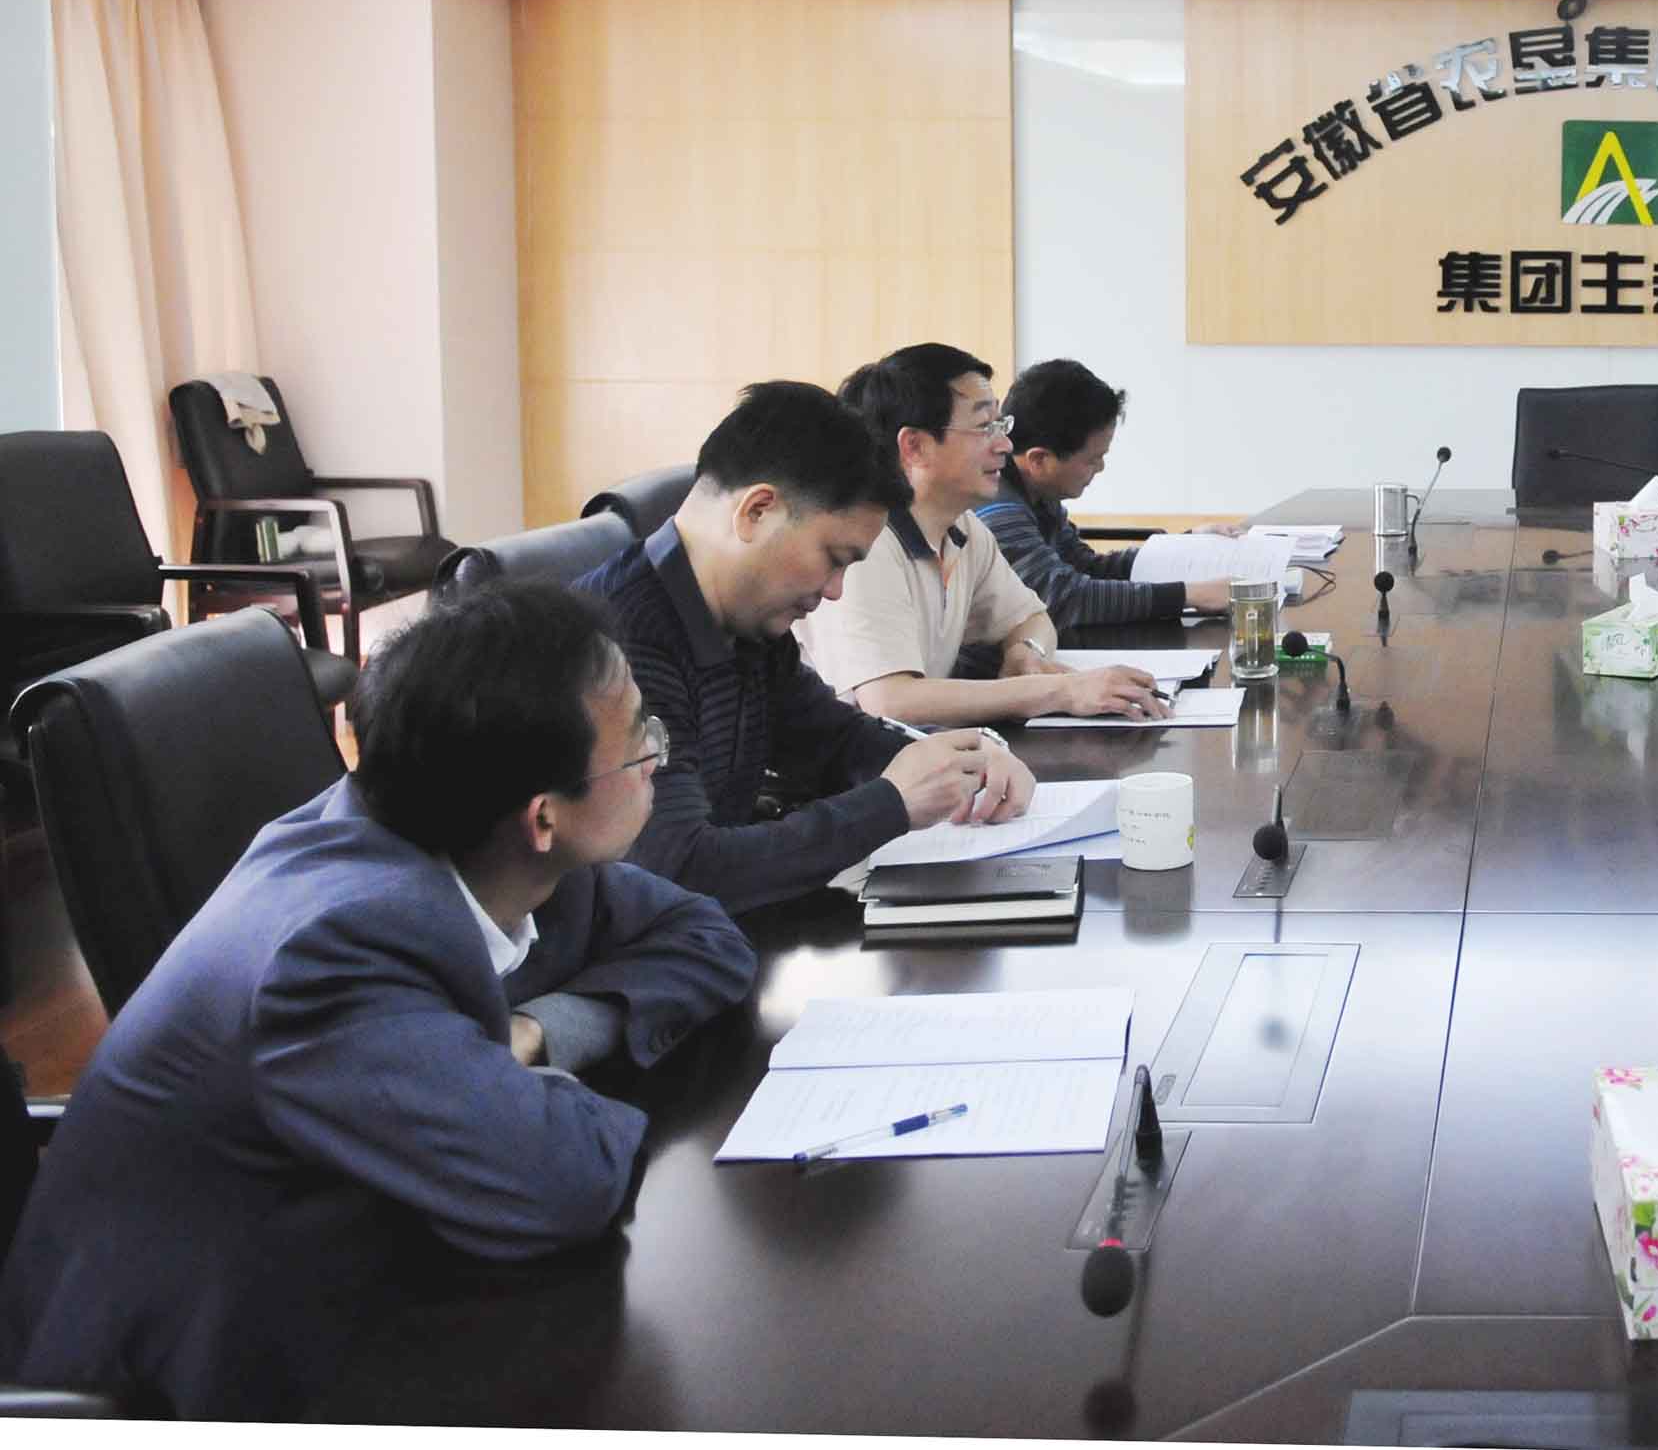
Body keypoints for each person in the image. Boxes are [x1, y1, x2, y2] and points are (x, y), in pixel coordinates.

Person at [0, 582, 757, 1419]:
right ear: (543, 816)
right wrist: (494, 1084)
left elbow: (708, 937)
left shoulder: (476, 831)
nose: (658, 754)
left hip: (358, 1281)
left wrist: (542, 1029)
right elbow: (567, 1178)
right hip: (173, 1386)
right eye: (640, 739)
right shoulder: (333, 955)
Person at [574, 381, 1033, 915]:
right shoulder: (616, 646)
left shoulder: (747, 622)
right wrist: (892, 804)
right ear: (757, 511)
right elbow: (680, 867)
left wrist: (959, 761)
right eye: (834, 559)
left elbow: (832, 738)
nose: (834, 591)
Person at [803, 342, 1170, 724]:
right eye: (984, 427)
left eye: (1001, 425)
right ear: (915, 446)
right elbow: (890, 701)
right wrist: (1060, 690)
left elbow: (1032, 618)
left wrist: (1026, 652)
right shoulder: (865, 544)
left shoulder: (963, 529)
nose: (1005, 445)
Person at [979, 358, 1237, 628]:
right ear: (1039, 460)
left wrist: (1185, 546)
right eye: (1092, 459)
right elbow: (1062, 598)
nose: (1100, 467)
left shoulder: (1040, 494)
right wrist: (1187, 595)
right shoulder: (997, 508)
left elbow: (1085, 567)